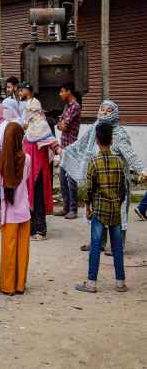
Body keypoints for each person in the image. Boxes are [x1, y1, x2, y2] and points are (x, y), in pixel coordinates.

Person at [63, 101, 145, 250]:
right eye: (103, 109)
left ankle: (118, 246)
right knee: (98, 211)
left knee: (118, 214)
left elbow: (130, 155)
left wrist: (142, 170)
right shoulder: (95, 128)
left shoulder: (119, 134)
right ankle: (98, 242)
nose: (104, 113)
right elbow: (80, 143)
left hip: (116, 182)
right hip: (99, 178)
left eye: (108, 111)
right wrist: (65, 152)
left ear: (114, 113)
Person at [74, 123, 128, 294]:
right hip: (115, 209)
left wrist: (88, 206)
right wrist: (118, 204)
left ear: (96, 140)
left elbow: (89, 189)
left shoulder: (94, 161)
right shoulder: (119, 161)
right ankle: (120, 282)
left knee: (96, 245)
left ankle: (91, 282)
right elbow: (123, 189)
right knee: (117, 246)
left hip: (99, 209)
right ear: (112, 140)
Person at [0, 122, 32, 296]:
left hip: (9, 213)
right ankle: (19, 285)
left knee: (9, 250)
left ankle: (8, 286)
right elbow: (27, 179)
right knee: (22, 250)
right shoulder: (27, 159)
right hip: (24, 210)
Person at [22, 99, 59, 241]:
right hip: (28, 169)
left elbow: (51, 141)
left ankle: (41, 230)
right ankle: (31, 229)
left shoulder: (42, 125)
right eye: (27, 110)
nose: (28, 112)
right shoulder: (28, 126)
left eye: (31, 110)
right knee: (28, 198)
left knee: (38, 199)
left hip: (39, 169)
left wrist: (58, 149)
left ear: (37, 111)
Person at [55, 83, 82, 220]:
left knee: (71, 179)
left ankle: (73, 209)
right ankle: (66, 207)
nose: (60, 94)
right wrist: (61, 124)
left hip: (71, 147)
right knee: (62, 179)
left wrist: (61, 124)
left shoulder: (75, 106)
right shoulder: (66, 106)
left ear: (69, 91)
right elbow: (60, 125)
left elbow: (64, 126)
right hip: (64, 146)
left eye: (62, 91)